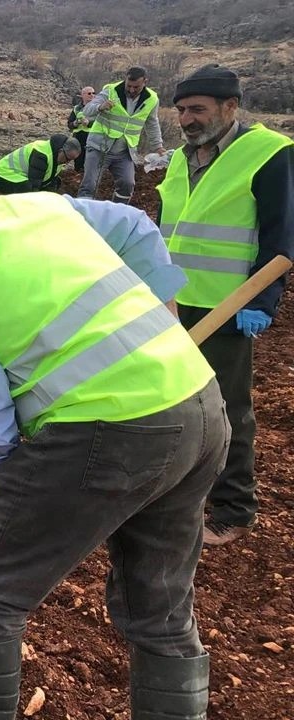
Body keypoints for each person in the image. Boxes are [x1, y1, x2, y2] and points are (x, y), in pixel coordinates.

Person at [0, 162, 228, 720]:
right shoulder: (32, 205)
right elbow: (134, 226)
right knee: (160, 607)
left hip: (110, 430)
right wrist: (165, 311)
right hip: (197, 403)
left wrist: (15, 502)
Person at [158, 64, 294, 546]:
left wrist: (262, 299)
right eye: (181, 110)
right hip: (177, 302)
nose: (187, 119)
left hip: (229, 305)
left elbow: (282, 237)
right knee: (178, 399)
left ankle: (235, 508)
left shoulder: (269, 154)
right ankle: (185, 490)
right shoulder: (181, 159)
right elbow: (168, 230)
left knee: (227, 405)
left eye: (198, 109)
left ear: (230, 107)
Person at [78, 67, 166, 203]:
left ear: (145, 82)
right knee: (90, 185)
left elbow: (152, 123)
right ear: (125, 80)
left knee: (127, 184)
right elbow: (87, 110)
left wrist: (158, 146)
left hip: (125, 151)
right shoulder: (111, 90)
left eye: (136, 87)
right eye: (129, 86)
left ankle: (117, 214)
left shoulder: (152, 99)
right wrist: (100, 107)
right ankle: (82, 214)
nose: (131, 90)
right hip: (99, 147)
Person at [0, 134, 82, 194]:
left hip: (21, 175)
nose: (67, 162)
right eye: (68, 159)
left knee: (55, 184)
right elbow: (34, 185)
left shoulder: (58, 156)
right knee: (26, 188)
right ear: (61, 151)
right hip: (4, 174)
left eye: (71, 160)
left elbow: (50, 181)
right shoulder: (41, 155)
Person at [67, 85, 96, 172]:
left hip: (92, 137)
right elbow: (69, 124)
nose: (92, 95)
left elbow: (101, 122)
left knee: (91, 159)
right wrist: (75, 123)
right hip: (78, 137)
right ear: (82, 95)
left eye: (94, 93)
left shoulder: (97, 108)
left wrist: (89, 123)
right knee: (78, 159)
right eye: (89, 93)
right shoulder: (76, 108)